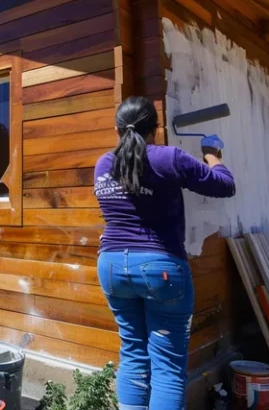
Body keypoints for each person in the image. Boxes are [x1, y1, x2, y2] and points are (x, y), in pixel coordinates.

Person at [94, 97, 235, 409]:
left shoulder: (103, 163)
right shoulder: (168, 157)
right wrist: (212, 156)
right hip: (160, 268)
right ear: (155, 129)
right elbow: (225, 185)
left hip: (112, 266)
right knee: (167, 365)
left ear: (117, 130)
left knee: (132, 352)